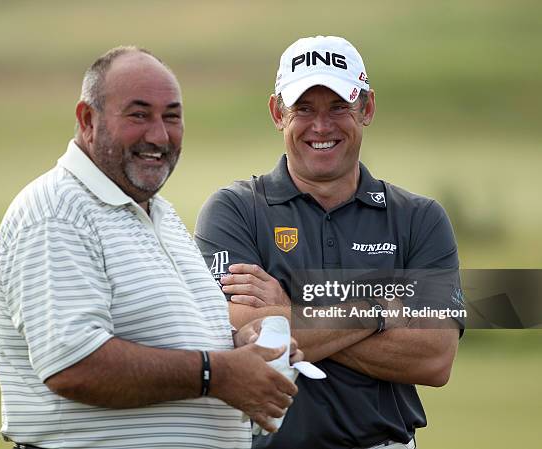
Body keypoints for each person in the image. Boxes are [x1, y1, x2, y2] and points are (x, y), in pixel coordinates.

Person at [0, 46, 301, 449]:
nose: (158, 135)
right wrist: (217, 372)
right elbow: (73, 365)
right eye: (139, 115)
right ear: (88, 120)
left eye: (171, 116)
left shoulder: (161, 215)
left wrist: (240, 348)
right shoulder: (57, 212)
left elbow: (177, 343)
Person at [194, 36, 464, 449]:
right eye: (303, 108)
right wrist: (374, 309)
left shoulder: (419, 217)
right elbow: (241, 332)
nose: (321, 126)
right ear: (277, 113)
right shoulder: (234, 210)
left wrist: (284, 312)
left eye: (339, 107)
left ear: (367, 108)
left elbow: (434, 357)